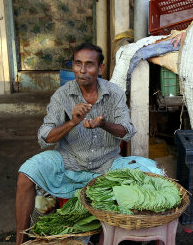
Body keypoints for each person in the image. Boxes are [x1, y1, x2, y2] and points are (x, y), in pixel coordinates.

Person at [15, 43, 136, 244]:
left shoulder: (115, 93)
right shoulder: (62, 95)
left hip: (106, 164)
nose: (82, 69)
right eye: (78, 63)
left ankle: (105, 237)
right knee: (25, 174)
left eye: (89, 64)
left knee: (142, 175)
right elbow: (45, 137)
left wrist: (104, 124)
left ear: (100, 68)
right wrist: (72, 122)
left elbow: (128, 131)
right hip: (68, 160)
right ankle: (20, 241)